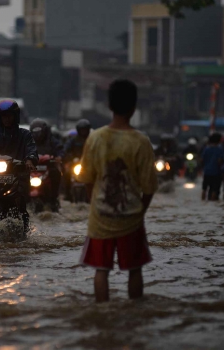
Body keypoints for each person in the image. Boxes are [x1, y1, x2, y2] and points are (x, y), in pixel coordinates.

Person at [78, 79, 157, 302]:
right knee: (135, 269)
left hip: (100, 217)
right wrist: (141, 212)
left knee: (101, 270)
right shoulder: (141, 142)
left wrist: (95, 204)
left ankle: (103, 313)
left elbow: (86, 179)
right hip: (131, 218)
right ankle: (135, 312)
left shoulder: (95, 138)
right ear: (134, 108)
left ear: (110, 106)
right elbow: (149, 186)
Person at [30, 118, 64, 211]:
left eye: (39, 132)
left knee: (56, 173)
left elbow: (60, 149)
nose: (37, 135)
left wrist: (58, 157)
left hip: (48, 168)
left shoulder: (52, 141)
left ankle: (53, 198)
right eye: (35, 132)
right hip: (31, 169)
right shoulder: (29, 142)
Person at [63, 119, 91, 200]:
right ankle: (67, 194)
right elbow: (66, 149)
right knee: (67, 174)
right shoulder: (73, 140)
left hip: (89, 163)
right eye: (82, 130)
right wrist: (70, 157)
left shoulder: (91, 139)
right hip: (75, 163)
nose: (83, 131)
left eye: (85, 129)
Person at [200, 133, 224, 201]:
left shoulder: (206, 149)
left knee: (204, 189)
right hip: (216, 173)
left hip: (207, 172)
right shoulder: (219, 149)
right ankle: (212, 204)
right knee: (214, 189)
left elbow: (201, 160)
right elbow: (220, 161)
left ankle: (202, 203)